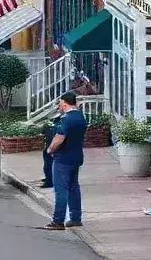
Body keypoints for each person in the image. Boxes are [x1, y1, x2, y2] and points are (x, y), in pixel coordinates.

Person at [42, 91, 87, 231]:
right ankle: (75, 217)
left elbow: (59, 139)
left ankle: (58, 221)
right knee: (74, 187)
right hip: (76, 156)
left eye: (60, 104)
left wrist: (50, 149)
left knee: (61, 190)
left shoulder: (66, 120)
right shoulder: (81, 117)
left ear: (64, 103)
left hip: (63, 158)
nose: (59, 106)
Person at [40, 113, 63, 189]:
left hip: (51, 147)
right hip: (49, 146)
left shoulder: (57, 125)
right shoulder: (55, 124)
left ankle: (49, 181)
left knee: (48, 165)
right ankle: (49, 178)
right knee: (48, 164)